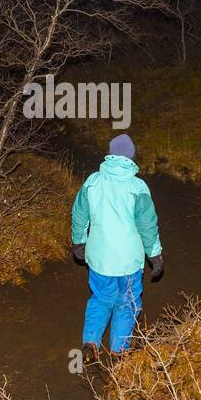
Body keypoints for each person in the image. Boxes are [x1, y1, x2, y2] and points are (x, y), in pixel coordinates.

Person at [70, 133, 163, 365]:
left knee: (101, 298)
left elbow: (79, 214)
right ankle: (119, 350)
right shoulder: (137, 187)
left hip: (100, 259)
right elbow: (148, 225)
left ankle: (90, 342)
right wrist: (155, 254)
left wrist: (78, 241)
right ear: (131, 156)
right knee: (127, 302)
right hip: (128, 261)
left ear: (110, 154)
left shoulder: (92, 181)